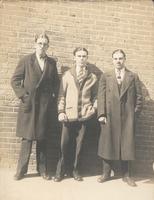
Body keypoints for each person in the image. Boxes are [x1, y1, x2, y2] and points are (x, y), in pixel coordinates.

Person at [11, 33, 59, 180]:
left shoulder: (52, 63)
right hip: (29, 106)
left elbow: (56, 83)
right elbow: (15, 80)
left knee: (42, 139)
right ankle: (21, 171)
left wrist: (52, 98)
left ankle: (42, 170)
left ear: (48, 46)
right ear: (35, 44)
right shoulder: (26, 60)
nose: (42, 46)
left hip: (44, 107)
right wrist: (24, 96)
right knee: (27, 139)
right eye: (39, 43)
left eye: (45, 44)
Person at [97, 49, 142, 187]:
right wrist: (102, 114)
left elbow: (139, 97)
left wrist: (134, 114)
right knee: (107, 144)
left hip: (127, 117)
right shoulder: (106, 76)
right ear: (112, 60)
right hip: (110, 116)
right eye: (115, 58)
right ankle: (106, 173)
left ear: (125, 59)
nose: (118, 61)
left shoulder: (132, 76)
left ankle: (126, 175)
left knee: (127, 145)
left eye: (121, 58)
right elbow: (101, 96)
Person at [53, 47, 97, 182]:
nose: (81, 58)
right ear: (74, 58)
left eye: (84, 56)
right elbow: (61, 95)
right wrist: (61, 112)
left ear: (87, 58)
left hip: (84, 116)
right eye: (79, 56)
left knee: (80, 146)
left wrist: (93, 109)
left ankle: (75, 171)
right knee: (64, 144)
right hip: (68, 116)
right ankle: (60, 172)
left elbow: (96, 97)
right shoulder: (67, 75)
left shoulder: (93, 77)